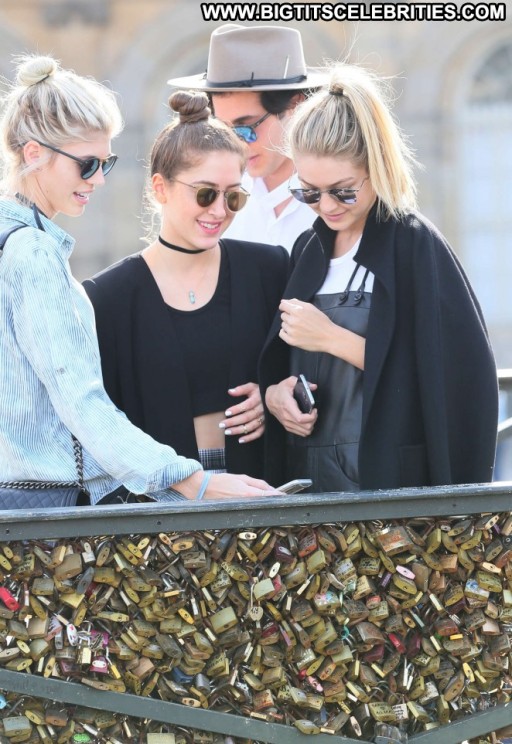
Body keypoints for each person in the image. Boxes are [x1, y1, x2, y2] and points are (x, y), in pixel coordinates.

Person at [0, 54, 275, 507]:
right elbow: (81, 401)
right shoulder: (32, 252)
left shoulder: (17, 242)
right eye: (86, 164)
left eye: (105, 164)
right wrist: (192, 481)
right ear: (34, 154)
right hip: (46, 505)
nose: (98, 180)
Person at [259, 62, 499, 493]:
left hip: (390, 490)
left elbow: (452, 375)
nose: (326, 206)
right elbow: (285, 364)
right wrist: (276, 394)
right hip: (307, 487)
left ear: (378, 166)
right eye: (308, 191)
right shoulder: (307, 250)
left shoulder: (414, 245)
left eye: (344, 191)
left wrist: (332, 338)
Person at [83, 90, 289, 480]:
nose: (219, 211)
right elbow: (99, 422)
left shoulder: (269, 269)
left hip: (262, 487)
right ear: (160, 188)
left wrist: (273, 396)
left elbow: (304, 372)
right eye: (205, 194)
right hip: (161, 501)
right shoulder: (107, 297)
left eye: (234, 197)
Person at [167, 23, 329, 253]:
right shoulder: (214, 201)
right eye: (225, 130)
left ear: (295, 104)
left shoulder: (338, 197)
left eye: (246, 127)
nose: (239, 145)